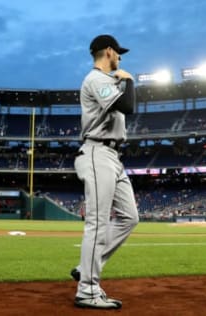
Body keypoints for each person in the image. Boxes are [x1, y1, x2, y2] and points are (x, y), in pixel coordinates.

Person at [71, 34, 139, 310]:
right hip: (97, 152)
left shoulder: (109, 81)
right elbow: (128, 106)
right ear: (108, 51)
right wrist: (130, 80)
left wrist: (123, 81)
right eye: (118, 53)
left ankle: (86, 266)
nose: (120, 58)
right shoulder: (96, 79)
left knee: (129, 217)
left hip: (112, 155)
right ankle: (87, 290)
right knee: (98, 223)